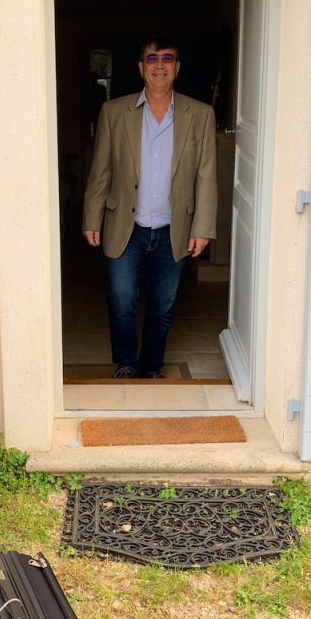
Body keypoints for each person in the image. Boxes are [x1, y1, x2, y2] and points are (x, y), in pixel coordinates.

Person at [82, 36, 217, 379]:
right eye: (152, 58)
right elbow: (101, 170)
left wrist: (202, 228)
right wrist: (91, 217)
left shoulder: (199, 114)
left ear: (177, 68)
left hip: (174, 228)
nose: (160, 65)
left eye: (167, 58)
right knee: (121, 299)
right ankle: (127, 362)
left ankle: (152, 366)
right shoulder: (114, 112)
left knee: (162, 306)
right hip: (126, 227)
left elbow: (206, 175)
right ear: (141, 68)